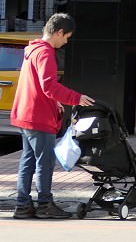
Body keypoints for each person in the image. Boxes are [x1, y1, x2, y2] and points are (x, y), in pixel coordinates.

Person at [10, 13, 94, 219]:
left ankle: (23, 205)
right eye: (66, 37)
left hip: (25, 114)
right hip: (38, 116)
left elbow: (39, 86)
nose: (66, 42)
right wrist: (76, 98)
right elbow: (49, 85)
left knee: (28, 161)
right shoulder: (46, 53)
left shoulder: (32, 50)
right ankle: (45, 204)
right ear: (58, 32)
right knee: (45, 162)